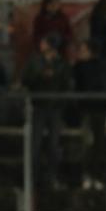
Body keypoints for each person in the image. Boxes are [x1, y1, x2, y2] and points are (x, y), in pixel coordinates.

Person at [22, 33, 71, 189]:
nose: (41, 45)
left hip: (55, 108)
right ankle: (32, 178)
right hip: (39, 106)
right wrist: (41, 77)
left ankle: (51, 177)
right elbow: (26, 80)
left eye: (44, 42)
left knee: (54, 145)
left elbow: (67, 84)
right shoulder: (35, 61)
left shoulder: (62, 63)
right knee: (34, 145)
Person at [73, 39, 106, 190]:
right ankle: (87, 175)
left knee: (99, 144)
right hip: (87, 109)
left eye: (83, 49)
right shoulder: (79, 67)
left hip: (100, 109)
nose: (80, 53)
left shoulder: (103, 66)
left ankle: (96, 175)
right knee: (88, 143)